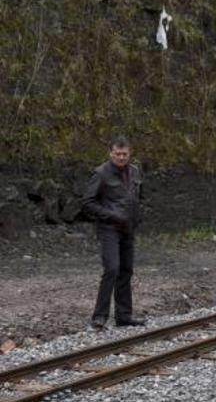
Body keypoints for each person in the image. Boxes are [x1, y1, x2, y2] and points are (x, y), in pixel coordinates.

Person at [82, 136, 146, 329]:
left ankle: (124, 315)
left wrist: (137, 216)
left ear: (130, 153)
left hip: (128, 228)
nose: (120, 157)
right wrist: (111, 215)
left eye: (124, 154)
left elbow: (138, 196)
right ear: (110, 153)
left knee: (126, 271)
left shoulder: (135, 171)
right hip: (109, 228)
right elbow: (87, 203)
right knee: (112, 269)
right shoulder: (101, 173)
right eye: (117, 154)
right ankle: (99, 316)